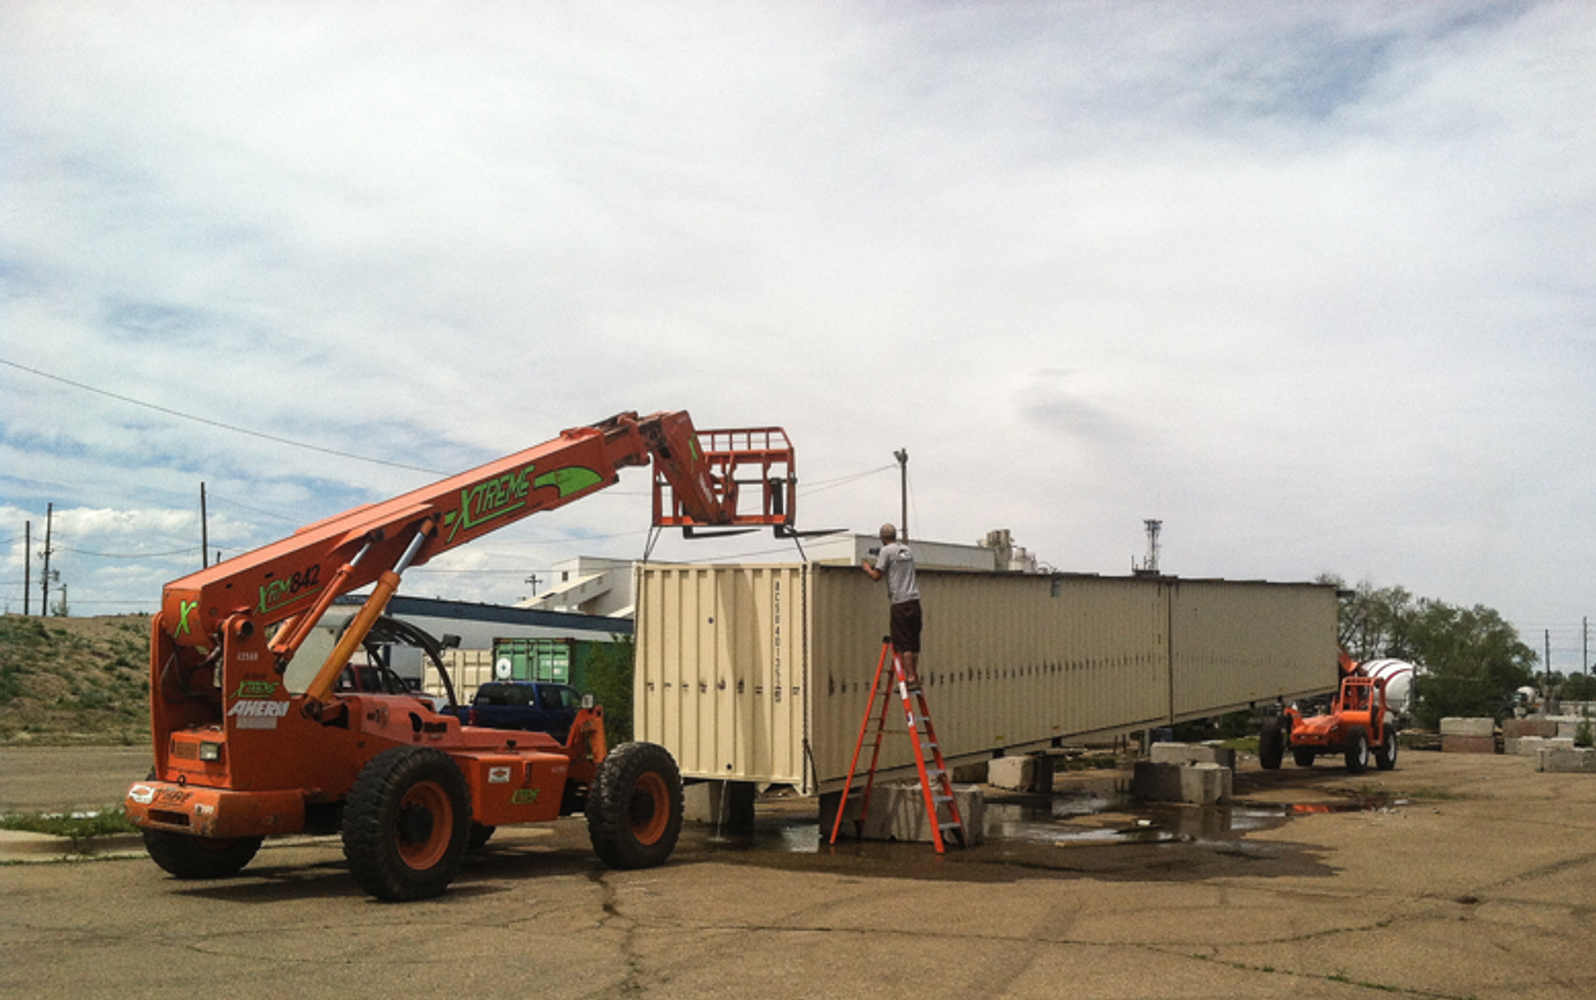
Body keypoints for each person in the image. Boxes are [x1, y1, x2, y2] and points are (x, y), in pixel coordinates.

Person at [861, 523, 923, 687]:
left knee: (904, 642)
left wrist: (867, 568)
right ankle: (915, 676)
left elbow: (876, 576)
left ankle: (909, 678)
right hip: (914, 600)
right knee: (914, 641)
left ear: (882, 537)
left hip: (900, 602)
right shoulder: (907, 550)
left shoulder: (885, 551)